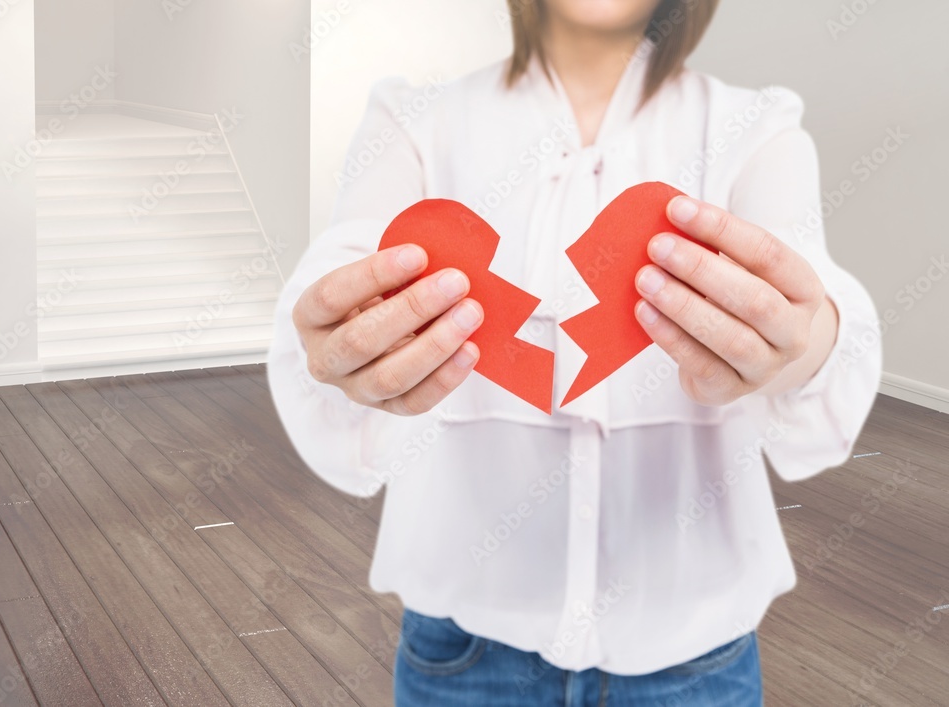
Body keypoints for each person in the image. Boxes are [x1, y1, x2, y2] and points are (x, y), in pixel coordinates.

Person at [267, 0, 883, 704]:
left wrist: (805, 343)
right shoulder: (414, 120)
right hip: (463, 651)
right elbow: (340, 275)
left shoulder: (756, 128)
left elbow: (820, 304)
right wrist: (339, 345)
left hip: (694, 657)